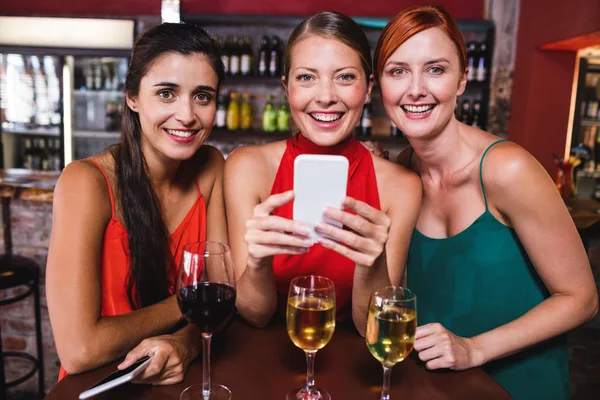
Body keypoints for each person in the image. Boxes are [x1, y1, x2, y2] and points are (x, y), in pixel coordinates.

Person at [373, 5, 598, 399]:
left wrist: (474, 348)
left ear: (462, 80)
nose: (415, 89)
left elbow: (582, 300)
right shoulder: (403, 172)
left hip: (520, 387)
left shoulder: (507, 169)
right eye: (398, 71)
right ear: (379, 86)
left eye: (436, 69)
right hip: (437, 385)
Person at [46, 23, 226, 385]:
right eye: (166, 93)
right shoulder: (86, 182)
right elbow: (80, 349)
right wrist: (187, 302)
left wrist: (185, 343)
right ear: (132, 97)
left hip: (177, 379)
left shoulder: (211, 167)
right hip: (100, 385)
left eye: (202, 96)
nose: (187, 115)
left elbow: (223, 296)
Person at [224, 11, 421, 335]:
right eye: (306, 77)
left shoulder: (401, 186)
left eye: (345, 77)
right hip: (266, 365)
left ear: (368, 88)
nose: (326, 96)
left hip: (356, 367)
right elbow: (255, 315)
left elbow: (369, 328)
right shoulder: (247, 167)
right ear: (287, 88)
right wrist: (257, 264)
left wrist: (371, 264)